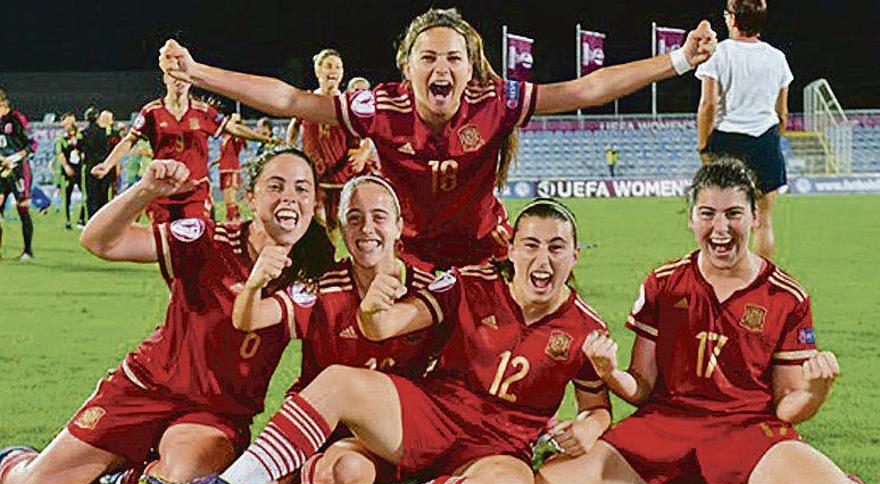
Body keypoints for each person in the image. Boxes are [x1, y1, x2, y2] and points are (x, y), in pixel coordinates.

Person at [157, 8, 717, 270]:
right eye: (429, 56)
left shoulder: (495, 100)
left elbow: (587, 88)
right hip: (407, 253)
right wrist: (198, 72)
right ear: (409, 66)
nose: (441, 66)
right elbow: (286, 99)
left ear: (471, 70)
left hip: (484, 250)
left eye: (454, 57)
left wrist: (678, 60)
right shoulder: (380, 106)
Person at [141, 198, 612, 484]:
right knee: (339, 383)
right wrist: (374, 306)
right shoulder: (468, 284)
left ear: (575, 255)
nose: (542, 258)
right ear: (511, 250)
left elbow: (597, 407)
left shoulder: (586, 327)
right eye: (531, 245)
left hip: (500, 447)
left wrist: (590, 427)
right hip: (433, 417)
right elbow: (385, 324)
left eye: (555, 248)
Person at [0, 147, 335, 484]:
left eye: (301, 189)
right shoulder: (207, 239)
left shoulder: (314, 273)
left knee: (180, 478)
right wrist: (144, 191)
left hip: (213, 415)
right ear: (251, 197)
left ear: (314, 202)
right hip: (144, 388)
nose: (290, 198)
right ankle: (13, 458)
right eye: (276, 186)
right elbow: (100, 242)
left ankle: (126, 473)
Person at [534, 158, 861, 484]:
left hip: (749, 432)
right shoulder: (664, 283)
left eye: (733, 213)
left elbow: (786, 406)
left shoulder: (785, 296)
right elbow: (643, 387)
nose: (721, 228)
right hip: (664, 428)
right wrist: (609, 372)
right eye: (708, 214)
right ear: (691, 219)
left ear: (755, 217)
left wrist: (815, 391)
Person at [234, 175, 444, 484]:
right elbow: (250, 318)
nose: (366, 229)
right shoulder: (322, 285)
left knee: (347, 472)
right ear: (342, 226)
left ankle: (312, 473)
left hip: (383, 432)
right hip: (316, 421)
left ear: (399, 226)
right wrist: (253, 285)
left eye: (379, 217)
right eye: (354, 218)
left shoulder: (429, 290)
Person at [90, 73, 272, 223]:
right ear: (165, 78)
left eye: (184, 77)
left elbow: (231, 127)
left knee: (194, 243)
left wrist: (262, 138)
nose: (179, 81)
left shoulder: (203, 111)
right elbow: (130, 139)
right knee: (165, 249)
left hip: (195, 189)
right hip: (163, 190)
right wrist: (107, 165)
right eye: (174, 76)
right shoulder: (151, 111)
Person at [696, 0, 792, 261]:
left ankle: (720, 279)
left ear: (732, 19)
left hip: (727, 142)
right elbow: (782, 113)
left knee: (718, 220)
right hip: (765, 140)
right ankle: (763, 285)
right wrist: (773, 137)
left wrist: (703, 145)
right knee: (763, 220)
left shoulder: (719, 53)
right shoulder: (777, 58)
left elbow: (708, 104)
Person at [284, 49, 378, 236]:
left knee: (350, 228)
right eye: (328, 66)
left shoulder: (348, 103)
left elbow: (371, 132)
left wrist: (363, 153)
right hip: (316, 179)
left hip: (344, 177)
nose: (333, 70)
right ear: (318, 71)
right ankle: (326, 261)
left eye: (338, 66)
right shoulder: (307, 100)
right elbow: (294, 126)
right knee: (321, 229)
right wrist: (291, 152)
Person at [0, 91, 35, 260]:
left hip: (18, 170)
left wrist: (13, 158)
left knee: (22, 209)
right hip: (1, 171)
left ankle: (28, 251)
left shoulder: (16, 119)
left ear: (4, 105)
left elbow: (32, 144)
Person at [211, 114, 264, 222]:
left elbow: (242, 137)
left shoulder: (236, 137)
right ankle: (233, 217)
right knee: (226, 197)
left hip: (231, 168)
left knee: (230, 196)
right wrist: (213, 162)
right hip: (223, 168)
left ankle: (233, 218)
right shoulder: (225, 137)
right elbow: (224, 155)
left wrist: (238, 124)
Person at [54, 112, 86, 229]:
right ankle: (67, 221)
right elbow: (60, 154)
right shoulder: (61, 139)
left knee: (85, 196)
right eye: (67, 122)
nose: (69, 124)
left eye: (71, 121)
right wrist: (66, 166)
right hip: (67, 172)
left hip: (80, 170)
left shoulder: (81, 136)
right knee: (67, 197)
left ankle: (82, 219)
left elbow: (84, 150)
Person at [82, 107, 113, 220]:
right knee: (103, 196)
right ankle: (103, 222)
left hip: (90, 167)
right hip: (104, 166)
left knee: (91, 197)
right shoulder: (105, 133)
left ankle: (91, 222)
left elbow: (80, 150)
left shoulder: (83, 133)